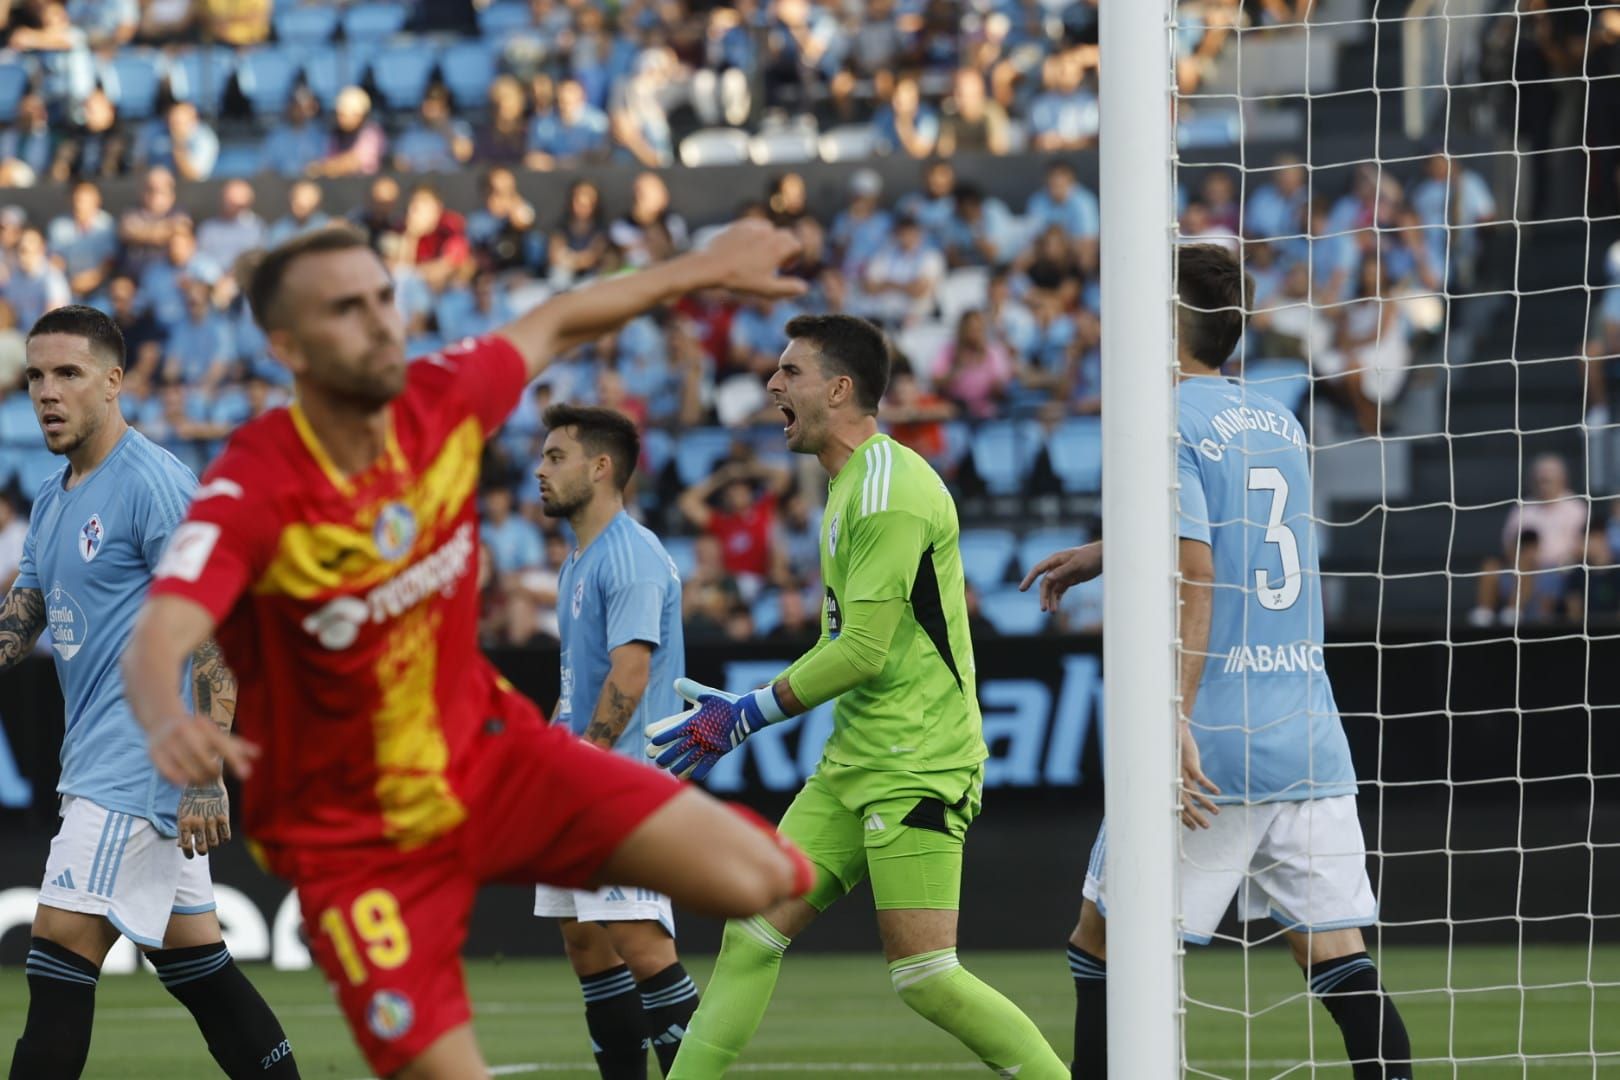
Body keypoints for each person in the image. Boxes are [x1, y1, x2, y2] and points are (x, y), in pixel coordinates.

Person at [122, 219, 816, 1080]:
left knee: (766, 879)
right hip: (356, 839)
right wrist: (166, 722)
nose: (382, 321)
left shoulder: (440, 398)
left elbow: (561, 320)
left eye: (385, 296)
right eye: (348, 309)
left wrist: (704, 268)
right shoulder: (257, 482)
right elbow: (162, 630)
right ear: (286, 346)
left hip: (493, 762)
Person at [1019, 244, 1413, 1079]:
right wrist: (1104, 550)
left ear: (1165, 322)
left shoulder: (1161, 419)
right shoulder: (1279, 416)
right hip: (1307, 735)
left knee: (1102, 949)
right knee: (1340, 960)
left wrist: (1172, 716)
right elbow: (1240, 541)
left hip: (1215, 743)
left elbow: (1199, 571)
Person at [650, 314, 1068, 1079]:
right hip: (855, 759)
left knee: (926, 976)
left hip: (919, 760)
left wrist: (746, 714)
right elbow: (855, 640)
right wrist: (746, 708)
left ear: (840, 389)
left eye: (790, 372)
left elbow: (863, 651)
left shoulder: (887, 487)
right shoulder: (848, 485)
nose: (772, 384)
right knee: (753, 932)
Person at [5, 305, 296, 1079]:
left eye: (67, 373)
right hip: (104, 762)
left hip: (135, 766)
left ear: (113, 381)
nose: (47, 392)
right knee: (200, 971)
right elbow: (23, 615)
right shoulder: (54, 495)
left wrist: (205, 775)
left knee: (57, 964)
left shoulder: (157, 485)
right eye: (35, 375)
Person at [533, 404, 703, 1079]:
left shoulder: (630, 557)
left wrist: (586, 764)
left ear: (600, 468)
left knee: (640, 942)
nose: (539, 470)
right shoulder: (580, 560)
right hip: (581, 779)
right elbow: (581, 684)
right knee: (586, 944)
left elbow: (631, 674)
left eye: (554, 457)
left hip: (621, 783)